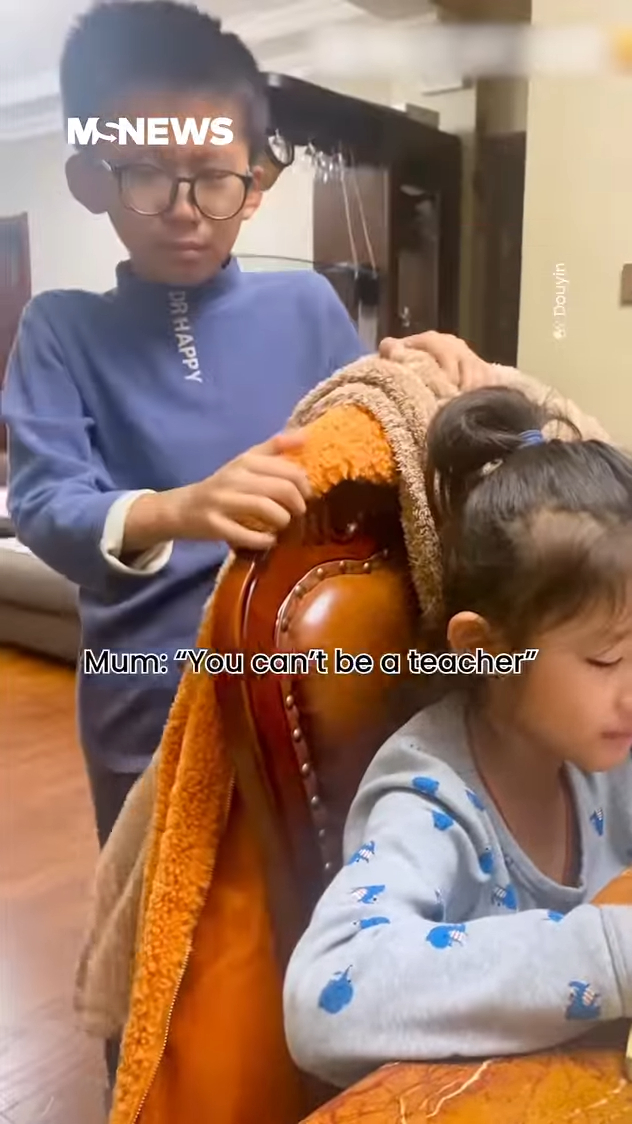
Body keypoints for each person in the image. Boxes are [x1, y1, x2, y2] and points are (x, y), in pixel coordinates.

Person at [0, 0, 489, 854]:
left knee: (310, 923)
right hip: (145, 699)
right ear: (90, 179)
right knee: (164, 945)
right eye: (147, 173)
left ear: (256, 182)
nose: (185, 208)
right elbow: (45, 502)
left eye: (213, 174)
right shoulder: (60, 327)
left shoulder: (305, 302)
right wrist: (178, 508)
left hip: (319, 687)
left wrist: (430, 379)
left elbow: (378, 449)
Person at [283, 384, 632, 1090]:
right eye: (604, 659)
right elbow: (325, 994)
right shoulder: (431, 797)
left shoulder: (601, 740)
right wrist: (613, 953)